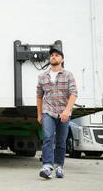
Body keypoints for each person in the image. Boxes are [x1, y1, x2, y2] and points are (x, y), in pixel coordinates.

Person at [36, 47, 78, 179]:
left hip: (63, 112)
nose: (53, 57)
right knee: (48, 137)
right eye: (52, 55)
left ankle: (59, 166)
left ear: (62, 59)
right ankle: (47, 166)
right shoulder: (42, 76)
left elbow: (73, 93)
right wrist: (39, 114)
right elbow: (39, 96)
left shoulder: (68, 75)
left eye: (57, 55)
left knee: (61, 140)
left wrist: (67, 110)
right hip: (48, 111)